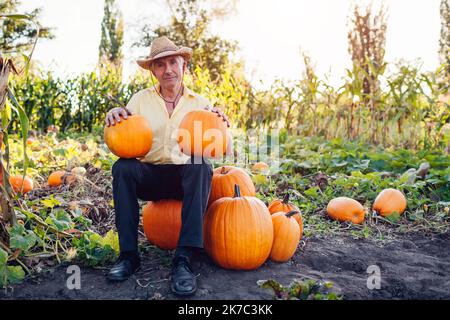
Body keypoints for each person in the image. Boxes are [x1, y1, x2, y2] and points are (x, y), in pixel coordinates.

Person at [104, 36, 231, 296]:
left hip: (184, 177)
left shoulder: (201, 103)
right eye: (160, 65)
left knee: (200, 164)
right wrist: (114, 116)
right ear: (153, 71)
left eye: (173, 62)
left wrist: (222, 125)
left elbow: (220, 147)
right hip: (149, 175)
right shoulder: (139, 100)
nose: (168, 70)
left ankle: (184, 257)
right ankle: (129, 255)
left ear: (184, 65)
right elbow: (123, 131)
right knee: (123, 167)